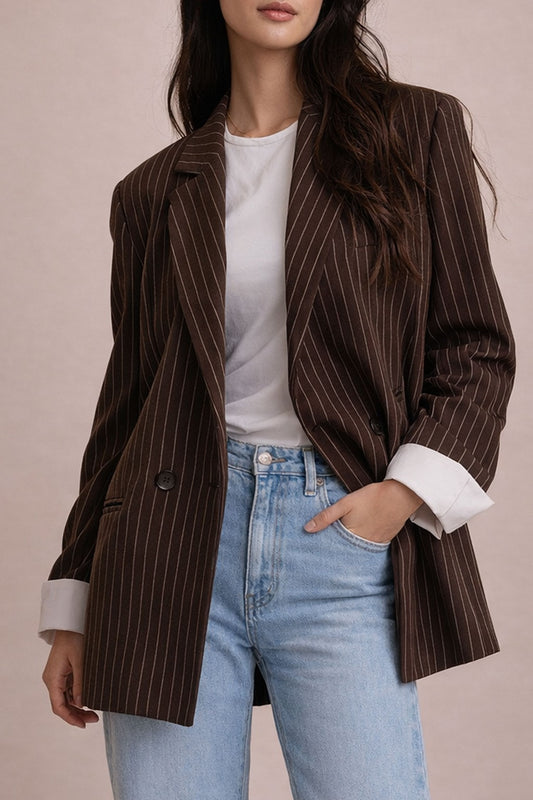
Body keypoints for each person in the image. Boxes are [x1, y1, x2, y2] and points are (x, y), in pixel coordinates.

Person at [39, 1, 516, 798]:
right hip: (168, 545)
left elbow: (474, 346)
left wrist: (399, 496)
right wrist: (75, 601)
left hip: (335, 537)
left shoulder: (412, 131)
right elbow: (127, 406)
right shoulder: (153, 191)